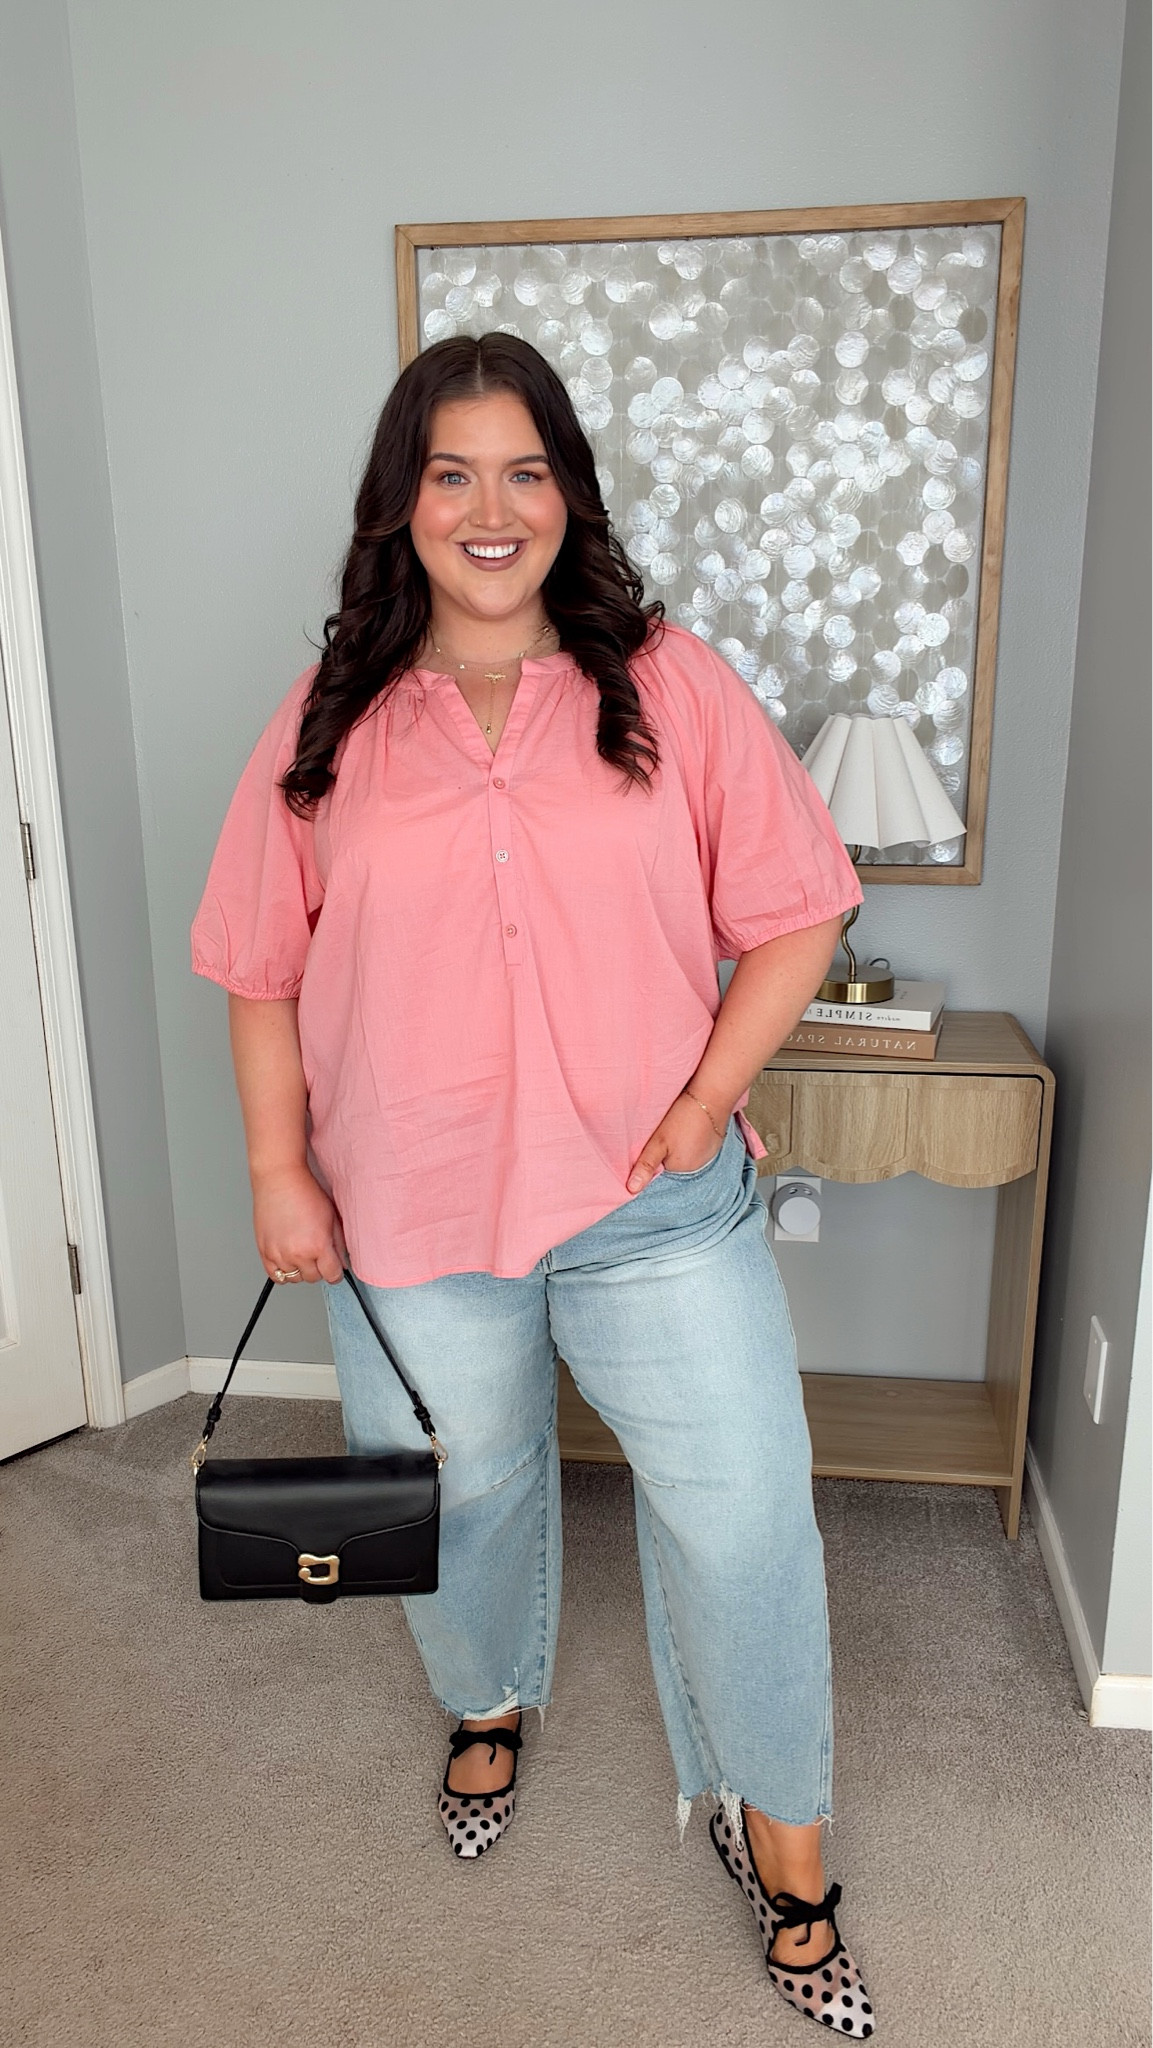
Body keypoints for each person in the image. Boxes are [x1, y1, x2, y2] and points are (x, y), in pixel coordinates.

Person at [191, 333, 874, 2036]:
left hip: (650, 1206)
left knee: (742, 1526)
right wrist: (279, 1168)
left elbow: (797, 907)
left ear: (564, 492)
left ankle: (787, 1854)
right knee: (470, 1501)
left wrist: (712, 1091)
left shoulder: (664, 679)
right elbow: (259, 965)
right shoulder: (330, 715)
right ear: (399, 503)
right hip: (406, 1211)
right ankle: (485, 1701)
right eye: (449, 474)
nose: (489, 510)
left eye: (523, 471)